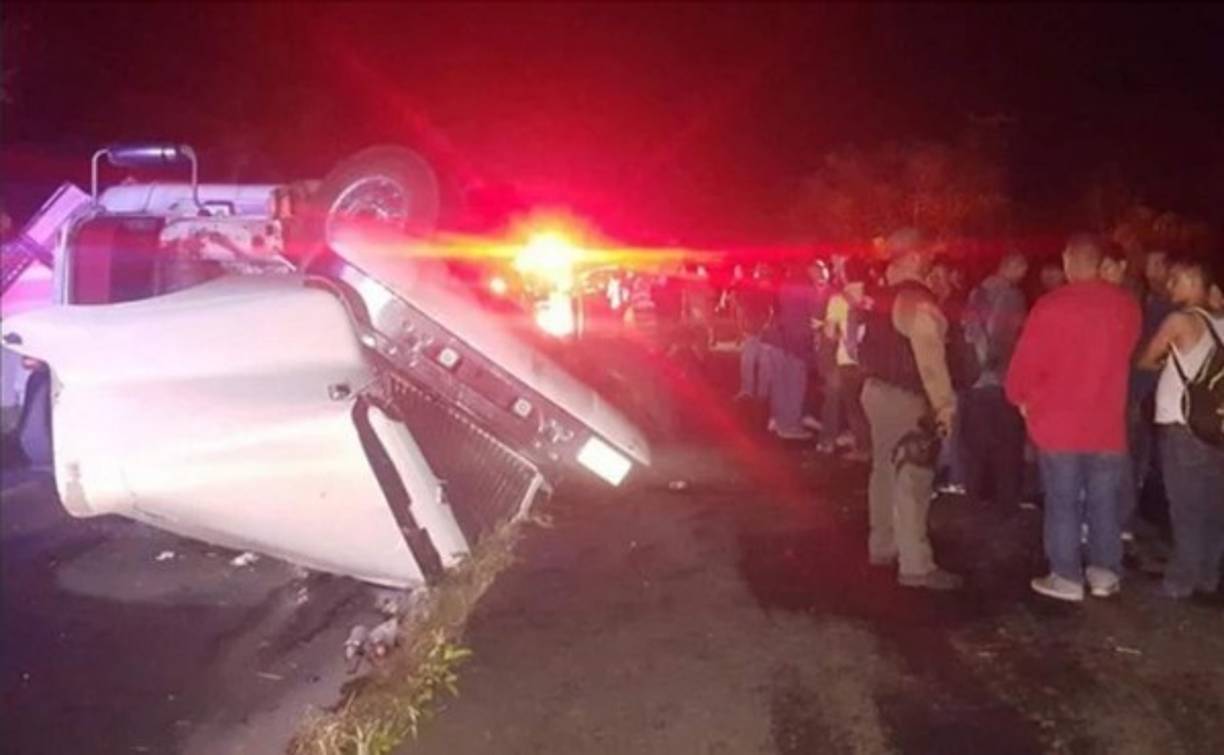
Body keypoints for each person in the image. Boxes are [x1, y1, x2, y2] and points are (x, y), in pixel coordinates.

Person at [1006, 234, 1141, 602]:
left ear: (1069, 262)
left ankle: (1066, 576)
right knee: (1104, 501)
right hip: (1107, 423)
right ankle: (1104, 572)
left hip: (1060, 424)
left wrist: (1019, 395)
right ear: (1099, 263)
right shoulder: (1126, 306)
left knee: (1063, 501)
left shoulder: (1052, 306)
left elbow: (1027, 363)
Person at [858, 228, 963, 590]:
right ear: (915, 258)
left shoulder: (880, 295)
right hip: (906, 398)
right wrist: (944, 406)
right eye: (929, 256)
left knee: (884, 472)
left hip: (875, 390)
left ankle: (882, 545)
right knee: (914, 477)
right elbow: (931, 361)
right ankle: (916, 565)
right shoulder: (917, 302)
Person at [1134, 257, 1224, 599]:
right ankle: (1208, 575)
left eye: (1175, 279)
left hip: (1182, 424)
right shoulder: (1221, 321)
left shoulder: (1180, 321)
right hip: (1216, 425)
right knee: (1215, 503)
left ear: (1192, 279)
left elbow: (1146, 358)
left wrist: (1162, 361)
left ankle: (1180, 581)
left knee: (1185, 505)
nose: (1170, 286)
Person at [961, 251, 1029, 509]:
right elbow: (1005, 336)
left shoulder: (977, 292)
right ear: (1013, 266)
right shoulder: (1012, 296)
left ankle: (975, 495)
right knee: (1007, 443)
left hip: (974, 379)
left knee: (977, 442)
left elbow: (968, 330)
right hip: (1001, 378)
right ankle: (1006, 499)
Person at [819, 256, 870, 459]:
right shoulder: (872, 297)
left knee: (853, 406)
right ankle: (869, 443)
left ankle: (864, 449)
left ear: (845, 274)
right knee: (865, 406)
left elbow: (830, 333)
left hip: (847, 359)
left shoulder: (838, 300)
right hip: (871, 360)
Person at [765, 260, 822, 440]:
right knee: (795, 384)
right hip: (797, 341)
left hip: (778, 337)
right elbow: (816, 316)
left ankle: (780, 420)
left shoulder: (785, 284)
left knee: (780, 383)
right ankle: (790, 427)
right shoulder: (807, 287)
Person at [732, 263, 775, 402]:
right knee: (754, 360)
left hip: (761, 328)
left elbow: (772, 310)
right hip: (756, 327)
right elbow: (743, 306)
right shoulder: (753, 288)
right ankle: (754, 391)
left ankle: (756, 391)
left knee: (758, 360)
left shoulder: (764, 289)